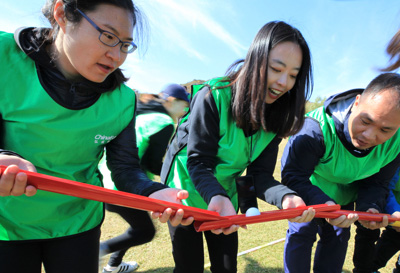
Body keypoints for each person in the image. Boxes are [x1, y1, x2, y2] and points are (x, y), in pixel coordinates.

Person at [0, 1, 193, 273]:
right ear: (62, 15)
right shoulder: (5, 58)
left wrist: (155, 192)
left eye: (125, 44)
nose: (116, 55)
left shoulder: (123, 100)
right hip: (7, 224)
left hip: (78, 224)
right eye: (108, 36)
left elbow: (125, 169)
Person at [160, 21, 316, 273]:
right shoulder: (214, 96)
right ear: (255, 60)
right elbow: (198, 162)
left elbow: (259, 175)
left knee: (226, 266)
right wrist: (217, 196)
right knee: (189, 266)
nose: (283, 82)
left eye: (294, 75)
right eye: (276, 68)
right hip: (185, 191)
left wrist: (286, 197)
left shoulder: (276, 118)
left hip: (225, 197)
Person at [281, 72, 400, 273]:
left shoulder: (396, 144)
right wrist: (324, 204)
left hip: (344, 198)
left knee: (337, 237)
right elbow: (294, 175)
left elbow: (378, 183)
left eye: (385, 130)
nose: (369, 136)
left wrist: (370, 207)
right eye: (365, 121)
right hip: (308, 192)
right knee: (301, 233)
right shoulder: (314, 129)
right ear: (357, 102)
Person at [99, 83, 189, 273]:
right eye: (184, 104)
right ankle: (98, 252)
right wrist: (168, 182)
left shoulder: (141, 113)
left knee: (138, 226)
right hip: (125, 185)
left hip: (105, 181)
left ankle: (113, 265)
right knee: (144, 231)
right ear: (172, 101)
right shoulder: (163, 122)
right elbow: (153, 164)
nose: (186, 109)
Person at [351, 29, 400, 273]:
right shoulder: (392, 136)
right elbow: (383, 182)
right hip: (383, 210)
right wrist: (393, 211)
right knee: (368, 256)